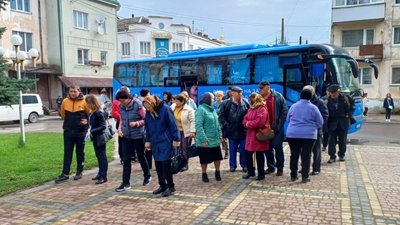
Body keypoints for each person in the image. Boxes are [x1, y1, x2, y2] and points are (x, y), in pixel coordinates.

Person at [143, 95, 180, 197]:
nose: (148, 109)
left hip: (165, 141)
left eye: (149, 107)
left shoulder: (165, 109)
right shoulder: (148, 113)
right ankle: (162, 185)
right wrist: (148, 141)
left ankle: (170, 186)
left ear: (153, 104)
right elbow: (148, 128)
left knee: (165, 164)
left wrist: (176, 139)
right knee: (158, 164)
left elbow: (173, 125)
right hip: (155, 142)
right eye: (146, 108)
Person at [115, 91, 151, 192]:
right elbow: (121, 120)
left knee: (140, 156)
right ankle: (125, 183)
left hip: (138, 135)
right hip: (126, 136)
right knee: (126, 160)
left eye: (123, 101)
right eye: (120, 101)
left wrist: (137, 123)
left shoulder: (138, 105)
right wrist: (120, 130)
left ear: (128, 98)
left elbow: (146, 119)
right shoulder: (121, 106)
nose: (121, 103)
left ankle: (147, 176)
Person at [55, 85, 90, 184]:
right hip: (68, 132)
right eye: (71, 91)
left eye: (75, 91)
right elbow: (63, 115)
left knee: (80, 153)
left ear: (79, 91)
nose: (73, 93)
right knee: (67, 153)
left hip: (80, 132)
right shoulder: (65, 101)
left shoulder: (84, 101)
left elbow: (89, 115)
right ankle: (65, 174)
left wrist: (86, 122)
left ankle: (79, 171)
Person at [286, 89, 323, 183]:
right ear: (311, 97)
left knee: (294, 154)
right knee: (306, 155)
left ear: (300, 96)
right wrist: (313, 127)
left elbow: (288, 119)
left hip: (293, 134)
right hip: (309, 135)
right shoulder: (313, 108)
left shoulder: (293, 106)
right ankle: (304, 176)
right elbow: (320, 122)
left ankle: (293, 175)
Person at [258, 81, 288, 176]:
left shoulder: (278, 96)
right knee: (267, 149)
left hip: (277, 129)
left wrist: (278, 126)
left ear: (268, 87)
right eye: (260, 88)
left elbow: (284, 112)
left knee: (278, 147)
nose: (260, 89)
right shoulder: (259, 98)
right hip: (265, 129)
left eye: (262, 88)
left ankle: (280, 168)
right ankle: (271, 167)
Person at [218, 86, 249, 172]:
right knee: (232, 149)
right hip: (231, 131)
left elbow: (249, 114)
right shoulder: (226, 103)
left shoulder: (245, 102)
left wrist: (246, 124)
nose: (240, 94)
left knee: (243, 149)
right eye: (238, 93)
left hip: (243, 131)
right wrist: (226, 125)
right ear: (232, 93)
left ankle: (244, 165)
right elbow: (221, 116)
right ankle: (232, 166)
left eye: (241, 92)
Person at [195, 92, 223, 182]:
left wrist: (220, 134)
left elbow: (217, 123)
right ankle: (204, 174)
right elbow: (199, 126)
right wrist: (203, 139)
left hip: (215, 139)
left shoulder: (212, 110)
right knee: (204, 159)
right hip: (205, 141)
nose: (213, 100)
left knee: (217, 157)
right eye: (212, 98)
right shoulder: (201, 109)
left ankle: (217, 172)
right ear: (207, 99)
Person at [301, 86, 328, 176]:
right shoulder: (302, 101)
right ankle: (304, 167)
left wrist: (316, 126)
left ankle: (316, 168)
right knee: (304, 151)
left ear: (312, 93)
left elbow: (325, 115)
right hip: (304, 131)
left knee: (316, 151)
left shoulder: (320, 102)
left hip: (316, 130)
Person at [242, 93, 270, 180]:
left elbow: (259, 122)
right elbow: (245, 118)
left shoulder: (262, 109)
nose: (251, 100)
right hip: (251, 135)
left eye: (252, 98)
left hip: (258, 135)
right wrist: (247, 123)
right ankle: (251, 172)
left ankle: (261, 174)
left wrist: (248, 124)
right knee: (248, 154)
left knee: (259, 155)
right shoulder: (251, 108)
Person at [326, 84, 355, 163]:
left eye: (334, 93)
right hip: (332, 123)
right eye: (331, 93)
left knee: (342, 140)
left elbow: (353, 107)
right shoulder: (326, 100)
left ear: (338, 92)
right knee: (331, 141)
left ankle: (341, 155)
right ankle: (332, 156)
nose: (333, 94)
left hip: (343, 122)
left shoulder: (346, 98)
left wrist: (349, 114)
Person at [85, 94, 108, 184]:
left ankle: (103, 176)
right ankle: (100, 173)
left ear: (92, 103)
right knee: (99, 156)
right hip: (95, 137)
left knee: (102, 157)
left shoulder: (98, 112)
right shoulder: (93, 112)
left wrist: (92, 131)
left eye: (87, 103)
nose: (86, 105)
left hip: (100, 137)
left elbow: (103, 126)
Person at [170, 94, 195, 171]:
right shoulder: (172, 107)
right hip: (175, 131)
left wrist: (192, 131)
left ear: (182, 101)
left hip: (185, 132)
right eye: (175, 100)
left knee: (184, 149)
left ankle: (185, 165)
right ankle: (176, 163)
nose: (175, 102)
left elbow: (193, 121)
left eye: (177, 101)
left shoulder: (189, 109)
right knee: (176, 148)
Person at [111, 87, 130, 164]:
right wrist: (122, 117)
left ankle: (131, 155)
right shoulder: (116, 102)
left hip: (129, 123)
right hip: (121, 122)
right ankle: (122, 156)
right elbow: (114, 113)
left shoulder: (129, 101)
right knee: (122, 140)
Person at [213, 90, 228, 159]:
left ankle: (226, 153)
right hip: (216, 123)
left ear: (222, 97)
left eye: (219, 96)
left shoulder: (224, 103)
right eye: (216, 96)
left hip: (223, 123)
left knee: (224, 139)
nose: (217, 97)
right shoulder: (214, 104)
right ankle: (217, 154)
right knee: (218, 139)